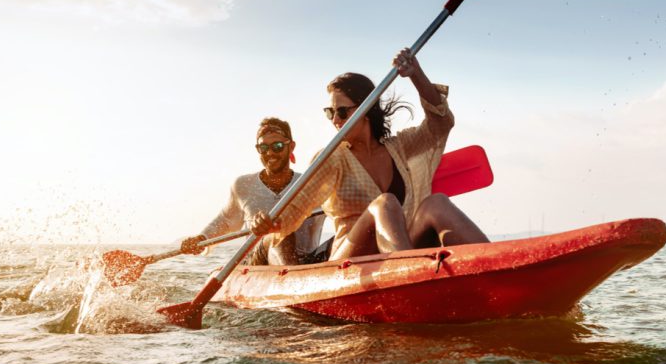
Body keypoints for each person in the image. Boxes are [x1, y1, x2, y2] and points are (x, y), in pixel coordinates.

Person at [252, 48, 488, 260]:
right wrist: (266, 222)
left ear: (366, 109)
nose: (335, 120)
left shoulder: (399, 146)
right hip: (350, 258)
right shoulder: (331, 158)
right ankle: (406, 274)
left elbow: (441, 122)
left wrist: (416, 74)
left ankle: (493, 262)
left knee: (435, 203)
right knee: (384, 203)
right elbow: (294, 210)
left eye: (343, 112)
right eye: (330, 112)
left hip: (399, 248)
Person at [180, 117, 323, 265]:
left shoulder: (312, 184)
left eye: (278, 146)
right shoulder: (243, 185)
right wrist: (202, 239)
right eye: (263, 148)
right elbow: (225, 221)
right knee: (280, 234)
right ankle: (291, 278)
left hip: (307, 261)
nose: (270, 153)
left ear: (291, 147)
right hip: (260, 261)